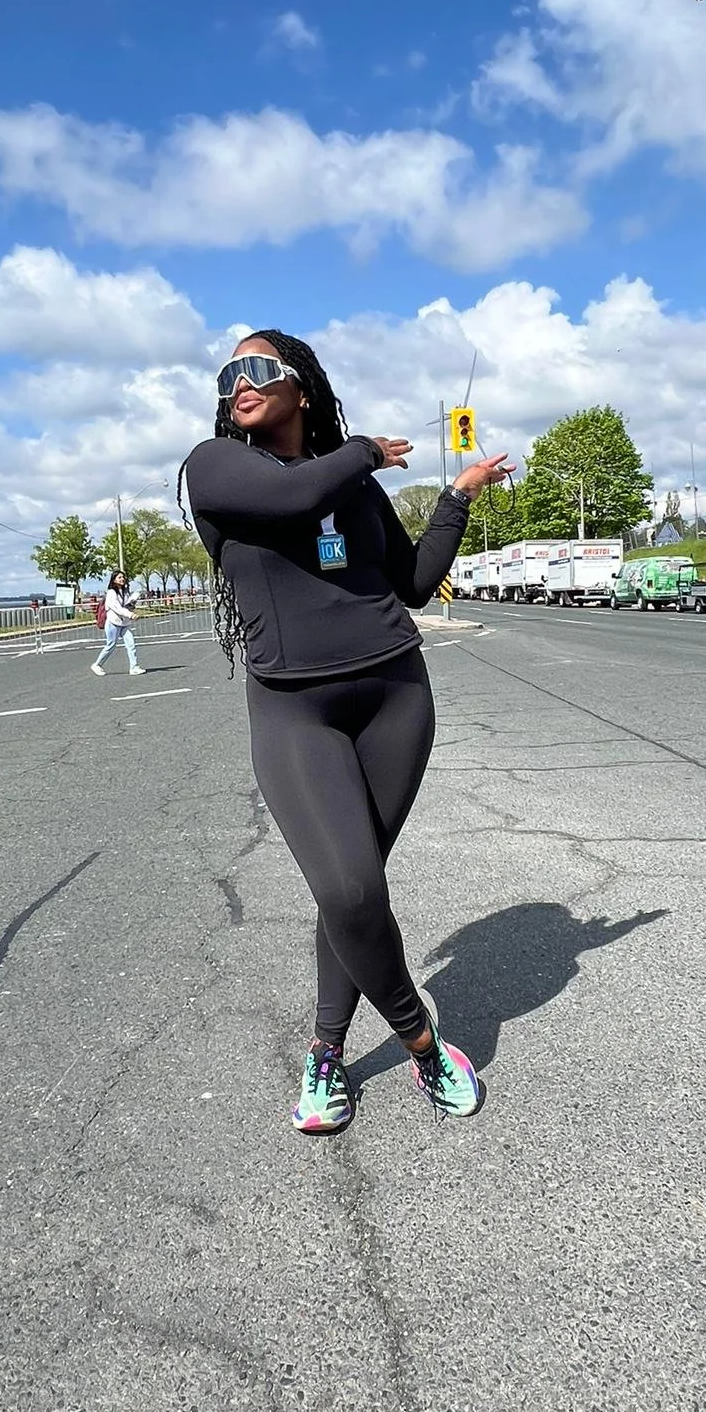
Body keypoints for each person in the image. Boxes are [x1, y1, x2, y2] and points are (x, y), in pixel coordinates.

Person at [183, 329, 513, 1135]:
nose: (240, 384)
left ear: (302, 385)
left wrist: (457, 497)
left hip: (397, 698)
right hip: (296, 711)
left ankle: (326, 1051)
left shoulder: (356, 488)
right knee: (350, 891)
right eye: (229, 375)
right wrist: (364, 448)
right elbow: (292, 498)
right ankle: (423, 1043)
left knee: (357, 893)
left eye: (259, 369)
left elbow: (413, 584)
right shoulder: (216, 467)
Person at [90, 570, 145, 676]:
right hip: (113, 623)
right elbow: (117, 608)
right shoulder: (111, 593)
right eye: (119, 577)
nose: (122, 579)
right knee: (111, 645)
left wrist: (132, 602)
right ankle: (97, 664)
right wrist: (130, 615)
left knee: (131, 644)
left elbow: (126, 605)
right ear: (114, 580)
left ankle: (134, 667)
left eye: (123, 577)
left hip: (124, 623)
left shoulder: (125, 592)